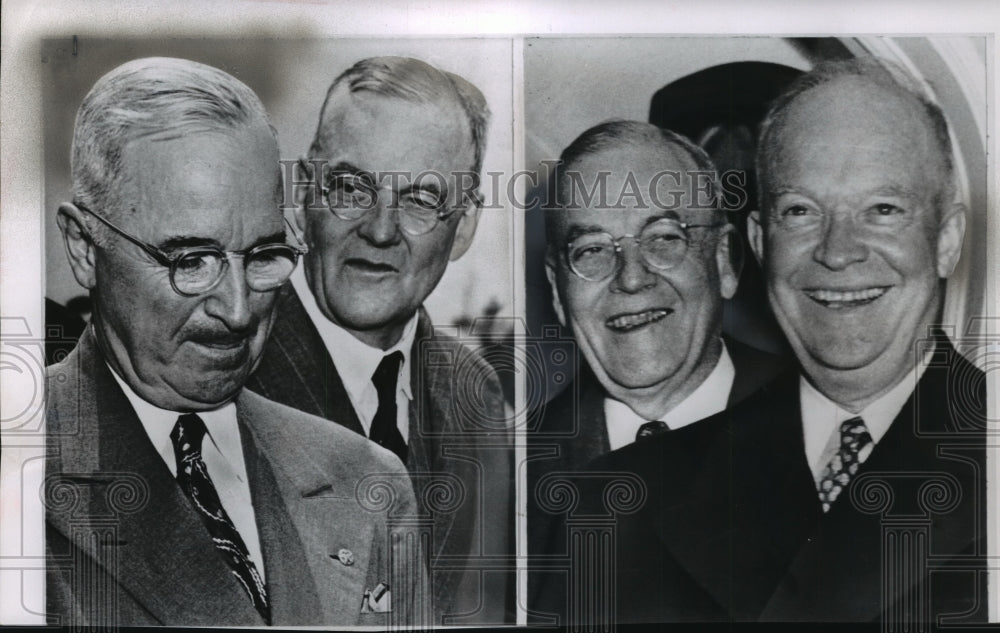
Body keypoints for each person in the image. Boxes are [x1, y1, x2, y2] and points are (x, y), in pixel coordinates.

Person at [562, 58, 986, 624]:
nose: (837, 251)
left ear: (947, 240)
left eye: (882, 210)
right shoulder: (622, 496)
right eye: (800, 211)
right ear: (760, 242)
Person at [45, 57, 425, 628]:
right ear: (83, 247)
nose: (239, 309)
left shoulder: (368, 482)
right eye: (190, 261)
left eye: (264, 257)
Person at [247, 56, 512, 623]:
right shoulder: (223, 369)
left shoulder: (476, 393)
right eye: (352, 187)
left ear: (462, 226)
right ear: (304, 190)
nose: (381, 229)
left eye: (419, 199)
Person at [527, 121, 785, 582]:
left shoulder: (827, 422)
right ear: (556, 290)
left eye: (665, 238)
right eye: (591, 250)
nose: (630, 278)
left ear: (725, 260)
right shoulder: (507, 472)